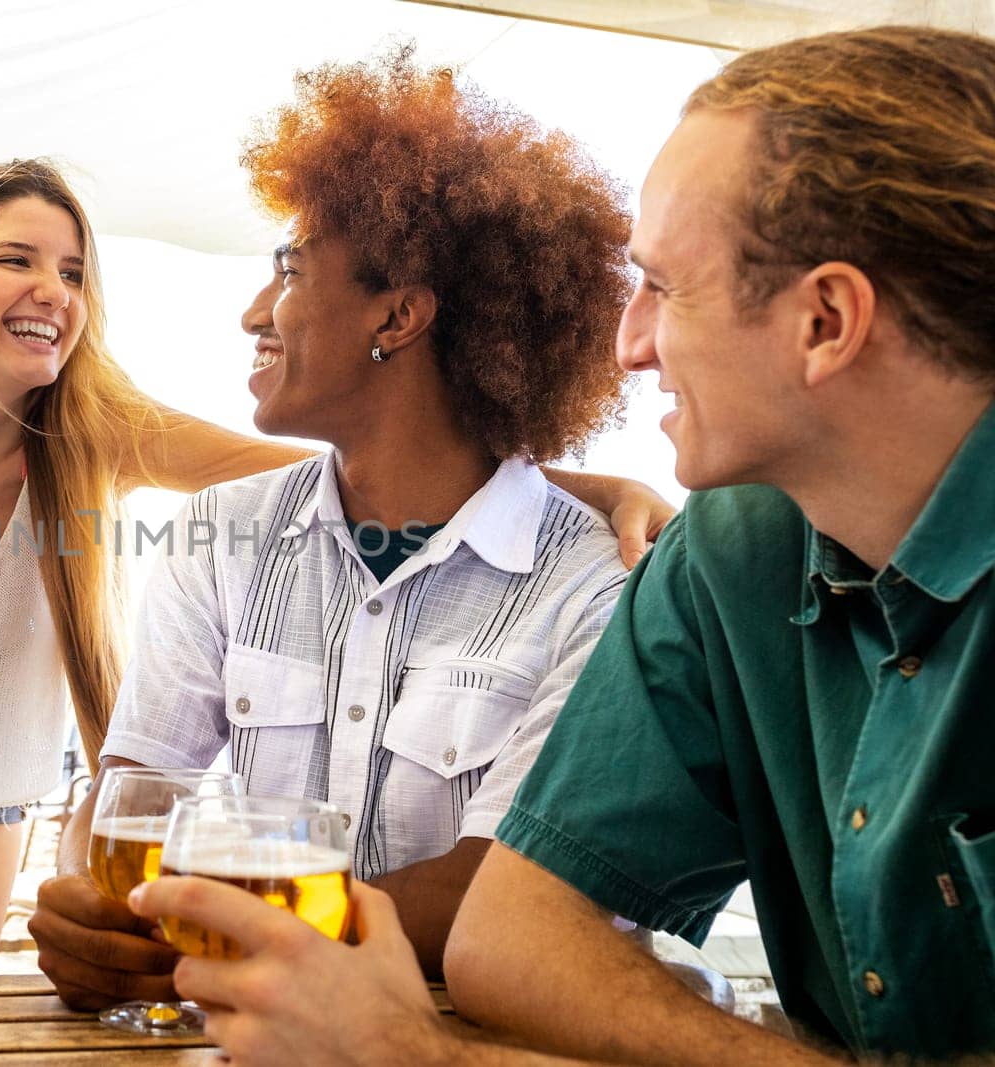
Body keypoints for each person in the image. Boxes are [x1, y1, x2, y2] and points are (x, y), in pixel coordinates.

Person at [135, 24, 995, 1067]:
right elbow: (516, 931)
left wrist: (415, 1054)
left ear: (824, 320)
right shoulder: (730, 556)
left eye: (665, 288)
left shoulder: (608, 565)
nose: (628, 345)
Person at [0, 157, 672, 974]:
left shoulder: (108, 431)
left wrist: (579, 493)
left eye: (72, 272)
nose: (52, 291)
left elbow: (380, 464)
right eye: (16, 258)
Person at [29, 46, 640, 1010]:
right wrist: (95, 905)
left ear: (397, 314)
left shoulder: (594, 588)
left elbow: (496, 889)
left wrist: (208, 924)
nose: (252, 313)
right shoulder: (220, 539)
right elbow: (132, 793)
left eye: (287, 270)